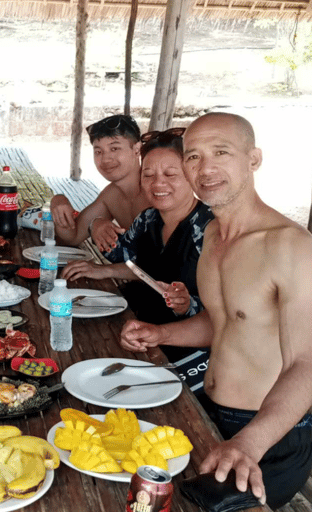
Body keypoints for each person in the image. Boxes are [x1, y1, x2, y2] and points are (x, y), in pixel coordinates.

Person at [120, 112, 312, 508]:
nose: (205, 168)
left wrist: (250, 443)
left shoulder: (290, 246)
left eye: (221, 152)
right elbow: (223, 322)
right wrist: (161, 334)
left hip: (268, 436)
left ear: (254, 159)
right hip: (208, 411)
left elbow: (305, 363)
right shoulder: (214, 233)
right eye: (193, 157)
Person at [61, 128, 213, 398]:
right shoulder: (148, 219)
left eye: (170, 174)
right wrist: (98, 226)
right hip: (143, 332)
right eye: (149, 175)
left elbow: (225, 317)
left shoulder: (209, 230)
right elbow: (122, 256)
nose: (158, 184)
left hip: (193, 355)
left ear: (192, 175)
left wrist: (188, 303)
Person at [50, 114, 150, 252]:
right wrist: (58, 201)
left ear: (137, 149)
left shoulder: (157, 191)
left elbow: (161, 262)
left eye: (114, 148)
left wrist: (103, 270)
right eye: (98, 151)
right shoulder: (112, 195)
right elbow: (73, 236)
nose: (105, 159)